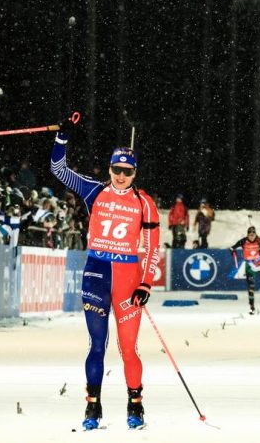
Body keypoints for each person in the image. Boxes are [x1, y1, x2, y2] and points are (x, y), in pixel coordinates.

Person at [50, 115, 160, 431]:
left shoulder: (145, 203)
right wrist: (62, 138)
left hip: (127, 277)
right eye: (116, 170)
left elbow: (152, 248)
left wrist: (146, 284)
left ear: (135, 172)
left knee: (128, 348)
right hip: (97, 272)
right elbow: (59, 170)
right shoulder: (94, 191)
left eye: (127, 171)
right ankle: (92, 407)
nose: (121, 176)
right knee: (97, 345)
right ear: (109, 168)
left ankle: (135, 406)